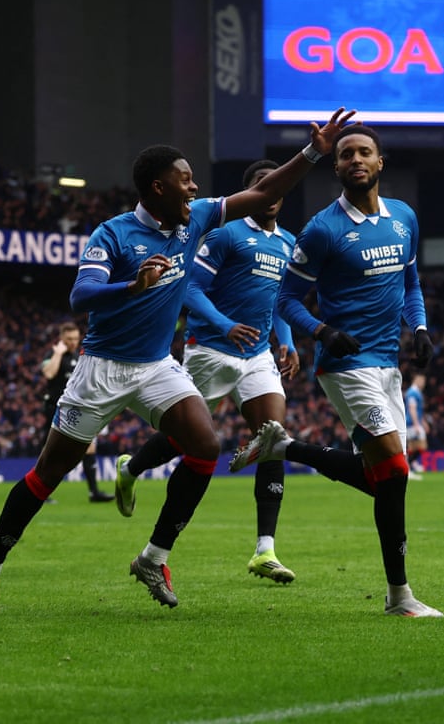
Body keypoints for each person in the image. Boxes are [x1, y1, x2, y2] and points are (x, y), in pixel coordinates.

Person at [0, 107, 355, 616]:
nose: (195, 188)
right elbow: (81, 296)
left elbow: (262, 193)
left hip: (156, 366)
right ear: (157, 187)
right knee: (48, 474)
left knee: (205, 446)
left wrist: (311, 153)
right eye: (185, 180)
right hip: (102, 369)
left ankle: (154, 557)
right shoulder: (113, 234)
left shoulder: (197, 220)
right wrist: (132, 285)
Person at [232, 124, 440, 618]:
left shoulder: (404, 218)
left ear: (380, 162)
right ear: (337, 166)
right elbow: (286, 300)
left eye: (365, 152)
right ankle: (400, 597)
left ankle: (284, 447)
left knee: (384, 481)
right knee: (394, 470)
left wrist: (419, 327)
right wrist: (322, 332)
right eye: (346, 154)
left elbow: (411, 282)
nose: (356, 160)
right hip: (346, 365)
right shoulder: (322, 229)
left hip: (387, 365)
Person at [115, 159, 302, 584]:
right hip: (210, 350)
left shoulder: (287, 243)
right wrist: (224, 324)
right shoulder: (225, 233)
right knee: (188, 437)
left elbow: (279, 301)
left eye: (276, 185)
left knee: (273, 437)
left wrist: (287, 341)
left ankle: (265, 550)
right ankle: (131, 468)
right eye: (262, 184)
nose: (271, 191)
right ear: (251, 191)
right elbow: (190, 287)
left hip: (257, 356)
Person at [41, 321, 114, 502]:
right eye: (69, 339)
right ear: (61, 338)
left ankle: (94, 492)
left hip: (76, 408)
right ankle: (41, 492)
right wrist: (58, 353)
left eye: (75, 338)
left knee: (89, 447)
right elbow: (49, 373)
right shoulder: (53, 354)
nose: (73, 342)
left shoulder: (79, 356)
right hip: (54, 408)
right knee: (51, 451)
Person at [404, 372, 428, 480]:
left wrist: (423, 422)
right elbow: (412, 408)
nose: (423, 383)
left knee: (417, 446)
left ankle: (412, 464)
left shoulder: (417, 392)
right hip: (411, 423)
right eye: (422, 380)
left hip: (415, 422)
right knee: (413, 446)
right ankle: (409, 467)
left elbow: (419, 410)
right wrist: (416, 424)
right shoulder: (412, 392)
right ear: (416, 380)